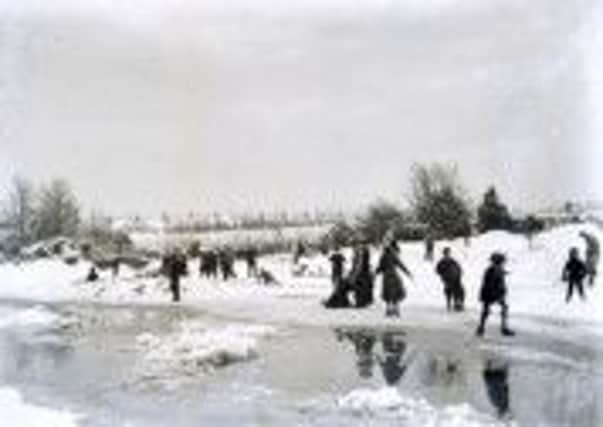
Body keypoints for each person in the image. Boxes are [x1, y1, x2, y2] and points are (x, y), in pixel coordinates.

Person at [476, 253, 515, 337]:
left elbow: (496, 277)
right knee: (501, 308)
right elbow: (491, 283)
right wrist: (498, 294)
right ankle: (503, 328)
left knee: (487, 311)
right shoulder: (494, 270)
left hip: (489, 294)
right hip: (492, 294)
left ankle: (481, 328)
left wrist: (504, 273)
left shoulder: (493, 269)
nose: (503, 263)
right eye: (502, 262)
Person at [375, 241, 413, 317]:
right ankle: (396, 310)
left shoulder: (384, 256)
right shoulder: (394, 255)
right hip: (394, 275)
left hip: (386, 276)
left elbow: (380, 267)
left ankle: (389, 310)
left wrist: (375, 273)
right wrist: (408, 273)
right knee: (396, 294)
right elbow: (401, 265)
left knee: (388, 294)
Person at [435, 247, 465, 311]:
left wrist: (459, 272)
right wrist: (443, 274)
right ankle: (451, 303)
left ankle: (458, 303)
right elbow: (437, 270)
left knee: (461, 290)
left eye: (448, 253)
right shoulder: (441, 262)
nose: (447, 254)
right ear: (444, 254)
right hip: (447, 279)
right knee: (450, 291)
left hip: (456, 278)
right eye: (446, 253)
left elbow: (458, 267)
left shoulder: (453, 260)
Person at [350, 244, 374, 308]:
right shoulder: (362, 254)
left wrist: (354, 275)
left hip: (361, 275)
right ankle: (362, 302)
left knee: (360, 288)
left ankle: (360, 302)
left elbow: (359, 266)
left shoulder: (360, 255)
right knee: (364, 288)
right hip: (364, 274)